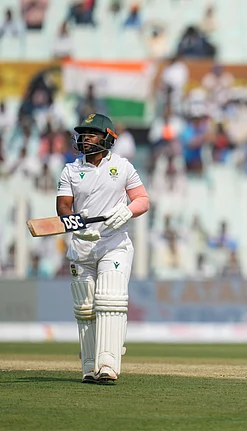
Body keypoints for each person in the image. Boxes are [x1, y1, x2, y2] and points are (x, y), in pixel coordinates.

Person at [56, 113, 150, 384]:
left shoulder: (123, 167)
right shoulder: (70, 170)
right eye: (83, 134)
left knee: (110, 300)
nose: (85, 138)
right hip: (82, 245)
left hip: (114, 243)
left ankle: (107, 365)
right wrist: (74, 222)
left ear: (107, 138)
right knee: (85, 308)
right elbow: (63, 206)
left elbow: (142, 199)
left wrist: (127, 212)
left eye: (92, 133)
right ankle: (89, 366)